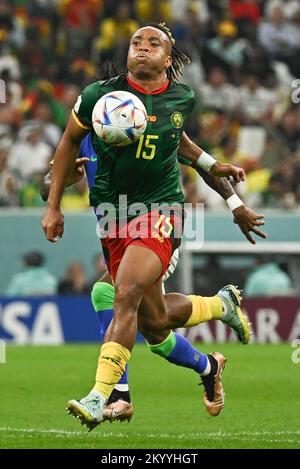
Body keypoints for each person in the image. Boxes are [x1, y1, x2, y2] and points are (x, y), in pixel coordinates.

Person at [41, 23, 263, 430]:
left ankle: (104, 396)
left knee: (120, 292)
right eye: (136, 43)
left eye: (153, 43)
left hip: (161, 213)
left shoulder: (182, 97)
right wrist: (52, 203)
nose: (142, 48)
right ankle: (217, 318)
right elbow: (62, 155)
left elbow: (182, 146)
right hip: (113, 217)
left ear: (167, 57)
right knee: (155, 327)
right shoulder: (98, 99)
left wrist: (233, 199)